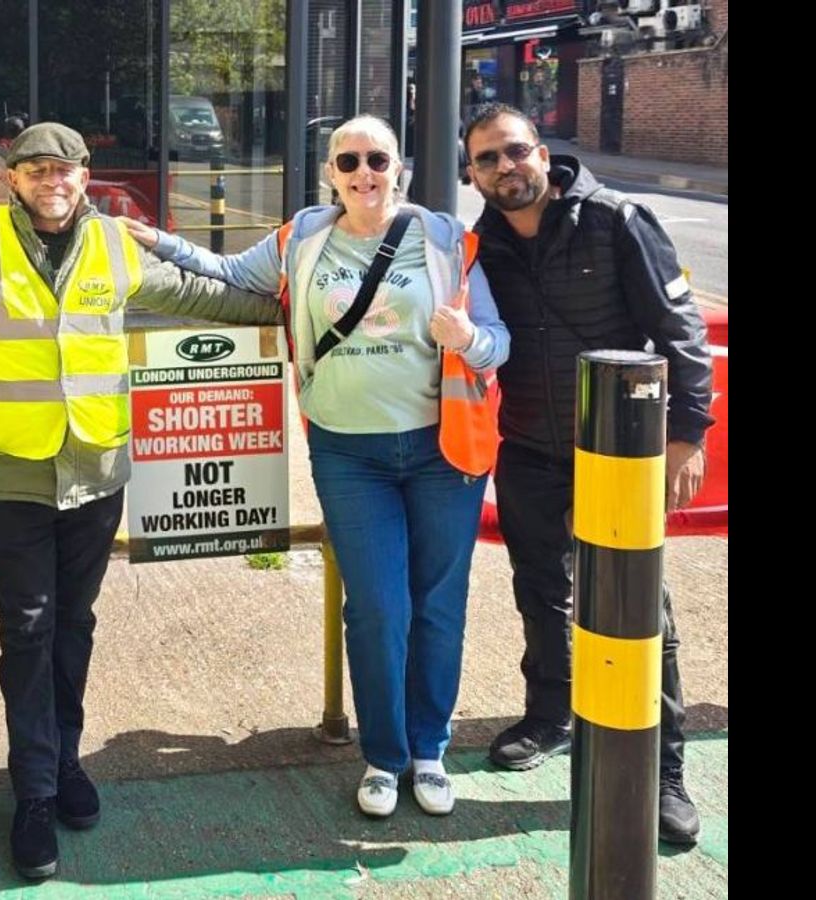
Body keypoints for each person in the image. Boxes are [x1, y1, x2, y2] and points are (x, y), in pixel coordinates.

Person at [124, 114, 509, 820]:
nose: (365, 173)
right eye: (349, 161)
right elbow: (225, 271)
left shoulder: (445, 239)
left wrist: (469, 340)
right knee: (377, 608)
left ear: (400, 169)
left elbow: (497, 341)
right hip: (348, 452)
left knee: (438, 605)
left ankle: (429, 748)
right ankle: (384, 756)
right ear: (330, 173)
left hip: (442, 451)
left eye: (378, 159)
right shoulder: (301, 238)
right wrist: (159, 242)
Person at [0, 122, 282, 880]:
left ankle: (66, 760)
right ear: (12, 178)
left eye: (66, 169)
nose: (53, 180)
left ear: (85, 176)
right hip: (14, 473)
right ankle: (34, 789)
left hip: (96, 473)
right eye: (37, 169)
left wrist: (291, 315)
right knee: (27, 628)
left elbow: (197, 293)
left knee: (74, 623)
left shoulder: (115, 246)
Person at [463, 102, 712, 847]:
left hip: (618, 454)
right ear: (472, 174)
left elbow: (681, 331)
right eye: (487, 159)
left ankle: (664, 771)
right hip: (528, 447)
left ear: (543, 153)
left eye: (515, 150)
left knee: (639, 610)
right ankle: (551, 715)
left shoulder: (617, 220)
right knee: (541, 591)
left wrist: (686, 436)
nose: (505, 167)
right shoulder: (480, 245)